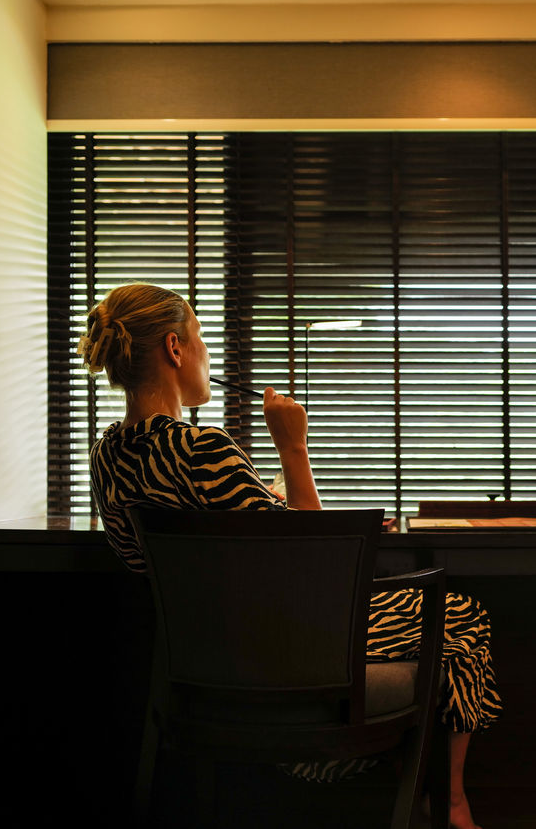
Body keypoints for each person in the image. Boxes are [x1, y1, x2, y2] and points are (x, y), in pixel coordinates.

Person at [78, 282, 499, 829]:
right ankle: (448, 802)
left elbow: (150, 557)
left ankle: (405, 778)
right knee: (462, 619)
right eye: (202, 338)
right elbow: (316, 563)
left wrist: (261, 503)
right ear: (176, 348)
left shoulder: (107, 455)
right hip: (281, 658)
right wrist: (293, 447)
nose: (207, 355)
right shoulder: (205, 450)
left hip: (201, 667)